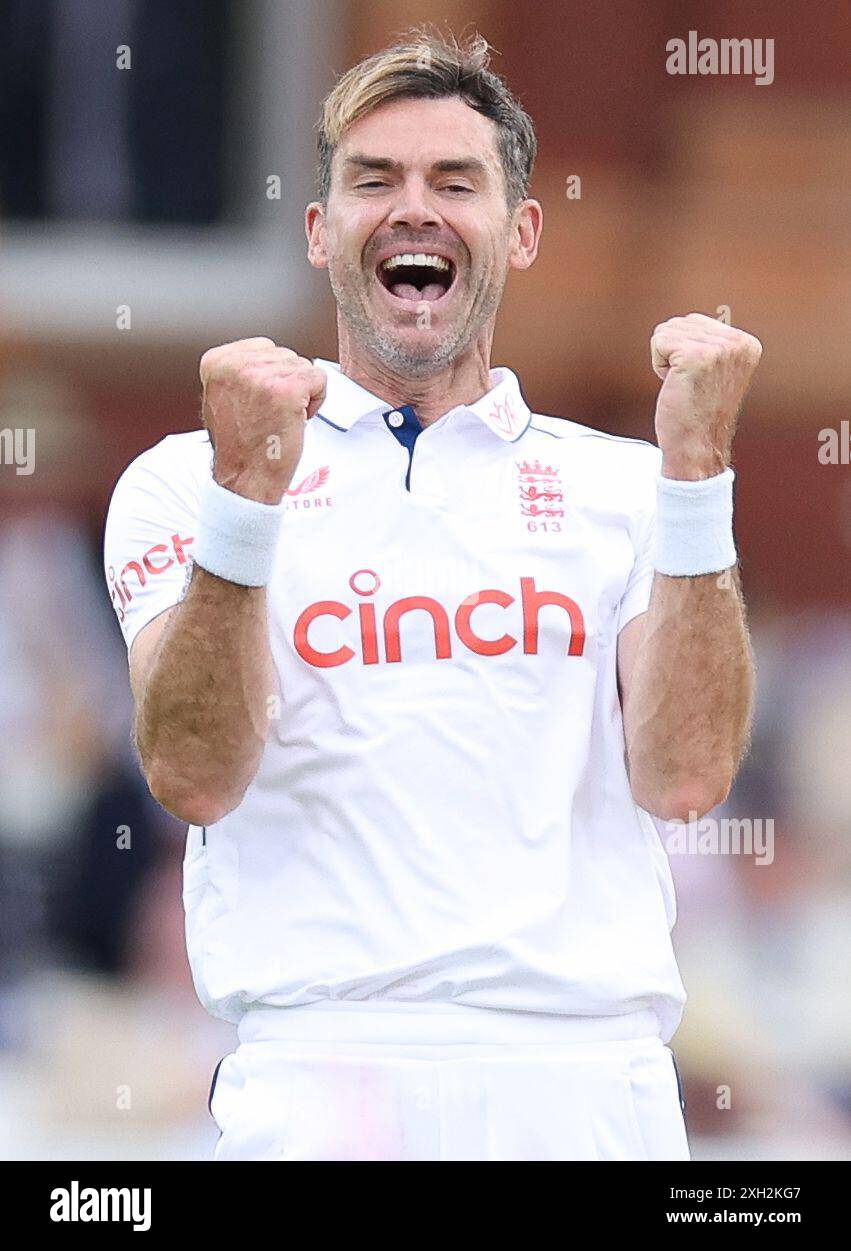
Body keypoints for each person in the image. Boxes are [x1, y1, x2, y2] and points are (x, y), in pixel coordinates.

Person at [103, 31, 760, 1160]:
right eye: (373, 181)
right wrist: (246, 501)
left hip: (584, 1074)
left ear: (519, 231)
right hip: (320, 1071)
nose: (413, 210)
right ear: (320, 235)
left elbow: (688, 775)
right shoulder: (184, 479)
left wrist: (697, 477)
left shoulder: (629, 485)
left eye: (455, 183)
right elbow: (193, 778)